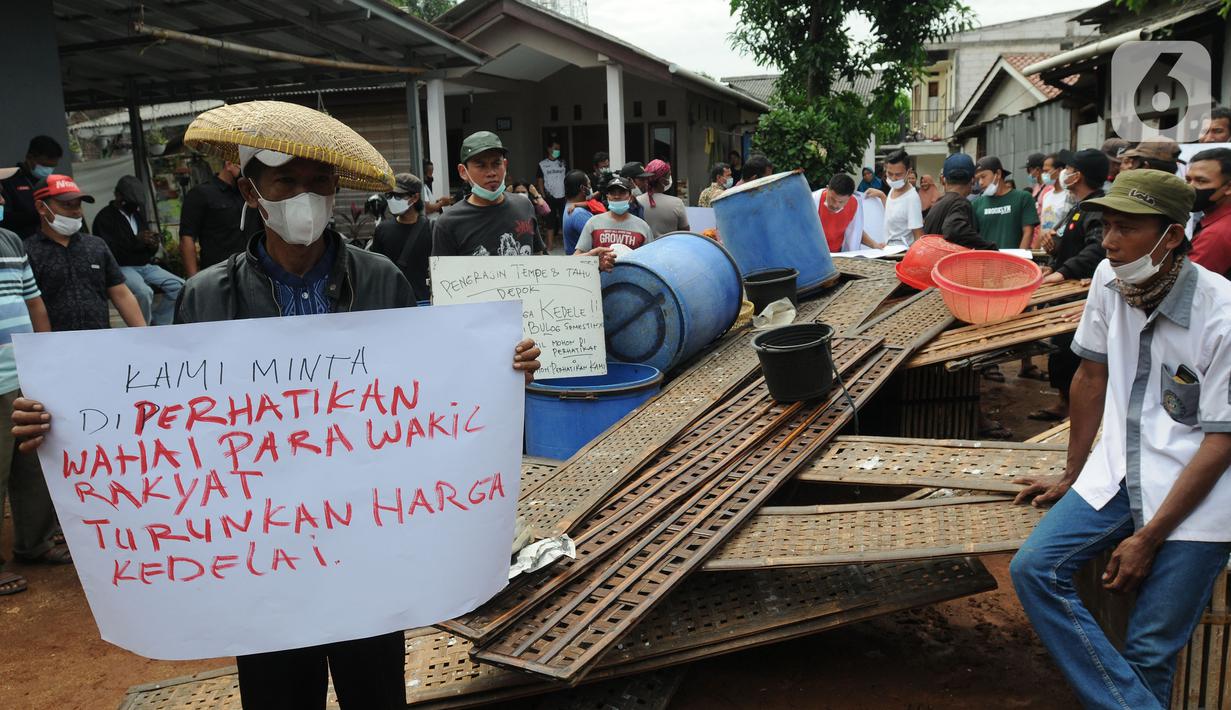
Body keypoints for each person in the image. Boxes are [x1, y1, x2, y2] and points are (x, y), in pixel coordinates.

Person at [13, 100, 543, 710]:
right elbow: (175, 420)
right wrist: (60, 417)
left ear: (337, 189)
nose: (304, 196)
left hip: (368, 544)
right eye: (285, 180)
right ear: (251, 188)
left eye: (319, 182)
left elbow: (428, 392)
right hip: (262, 558)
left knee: (375, 692)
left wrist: (501, 367)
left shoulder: (381, 281)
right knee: (277, 696)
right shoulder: (205, 295)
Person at [1011, 169, 1231, 710]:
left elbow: (1221, 443)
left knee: (1151, 647)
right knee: (1035, 569)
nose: (1109, 241)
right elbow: (1090, 376)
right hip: (1118, 469)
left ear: (1172, 236)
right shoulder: (1110, 283)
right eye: (1106, 225)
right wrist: (1072, 471)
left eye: (1126, 228)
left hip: (1200, 490)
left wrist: (1150, 537)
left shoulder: (1222, 314)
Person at [0, 167, 60, 596]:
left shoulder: (10, 241)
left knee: (31, 463)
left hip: (20, 374)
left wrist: (46, 359)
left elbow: (33, 301)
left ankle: (33, 542)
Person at [1031, 148, 1111, 423]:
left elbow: (1096, 249)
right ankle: (1065, 403)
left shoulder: (1098, 206)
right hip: (1064, 293)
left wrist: (1062, 272)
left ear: (1078, 175)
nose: (1064, 172)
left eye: (1069, 168)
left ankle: (1080, 412)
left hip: (1082, 295)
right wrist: (1052, 255)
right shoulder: (1079, 205)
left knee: (1077, 354)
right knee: (1061, 352)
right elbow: (1067, 240)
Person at [24, 175, 145, 331]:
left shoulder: (96, 246)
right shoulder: (28, 252)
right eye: (67, 205)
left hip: (99, 341)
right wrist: (46, 346)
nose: (76, 212)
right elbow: (32, 305)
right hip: (55, 346)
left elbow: (121, 293)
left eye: (78, 205)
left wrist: (143, 334)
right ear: (41, 208)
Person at [91, 176, 184, 326]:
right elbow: (109, 251)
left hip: (144, 265)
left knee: (180, 287)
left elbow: (146, 249)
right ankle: (141, 327)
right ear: (118, 195)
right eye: (131, 202)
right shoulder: (105, 218)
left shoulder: (137, 215)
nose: (134, 207)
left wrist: (152, 244)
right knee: (144, 292)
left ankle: (160, 321)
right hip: (121, 267)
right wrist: (136, 240)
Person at [179, 159, 254, 277]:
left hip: (251, 270)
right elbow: (187, 238)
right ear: (229, 164)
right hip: (219, 273)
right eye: (243, 167)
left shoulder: (250, 194)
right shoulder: (201, 194)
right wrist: (193, 280)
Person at [369, 173, 432, 301]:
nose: (392, 199)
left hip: (424, 303)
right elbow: (377, 270)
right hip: (393, 303)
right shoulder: (382, 230)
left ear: (415, 197)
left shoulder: (432, 229)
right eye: (389, 195)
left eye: (398, 196)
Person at [922, 153, 998, 250]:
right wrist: (989, 248)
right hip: (945, 264)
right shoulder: (960, 203)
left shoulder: (938, 204)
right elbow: (953, 228)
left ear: (943, 180)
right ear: (973, 180)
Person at [0, 136, 63, 239]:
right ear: (30, 158)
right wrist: (41, 214)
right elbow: (4, 218)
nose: (48, 170)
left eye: (52, 167)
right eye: (44, 165)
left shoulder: (53, 182)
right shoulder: (9, 181)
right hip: (24, 241)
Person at [972, 156, 1039, 250]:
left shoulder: (1023, 198)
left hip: (1013, 262)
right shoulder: (976, 204)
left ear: (998, 174)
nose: (981, 183)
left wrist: (1019, 259)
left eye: (983, 177)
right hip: (986, 262)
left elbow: (1028, 232)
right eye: (978, 179)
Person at [574, 176, 655, 253]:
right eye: (613, 193)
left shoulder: (643, 227)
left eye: (622, 192)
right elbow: (578, 256)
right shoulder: (593, 223)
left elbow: (650, 258)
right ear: (607, 197)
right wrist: (593, 254)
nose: (617, 196)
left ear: (630, 198)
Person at [1186, 148, 1231, 278]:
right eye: (1188, 179)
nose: (1190, 187)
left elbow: (1184, 282)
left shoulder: (1217, 234)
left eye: (1201, 181)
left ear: (1228, 187)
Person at [816, 174, 881, 252]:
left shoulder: (854, 204)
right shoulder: (812, 201)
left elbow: (856, 230)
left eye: (841, 202)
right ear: (827, 188)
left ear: (850, 197)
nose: (835, 205)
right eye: (832, 199)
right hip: (813, 253)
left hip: (838, 254)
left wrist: (874, 245)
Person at [880, 150, 924, 248]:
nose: (893, 178)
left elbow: (918, 235)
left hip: (902, 254)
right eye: (890, 173)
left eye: (898, 174)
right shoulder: (893, 189)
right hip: (888, 249)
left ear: (909, 172)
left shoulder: (912, 198)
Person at [636, 159, 689, 237]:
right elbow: (685, 232)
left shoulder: (637, 201)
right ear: (662, 180)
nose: (670, 178)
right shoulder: (677, 203)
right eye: (669, 175)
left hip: (645, 248)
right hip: (669, 248)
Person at [535, 139, 567, 251]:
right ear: (549, 149)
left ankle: (566, 245)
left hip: (563, 196)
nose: (557, 151)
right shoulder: (542, 164)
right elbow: (539, 180)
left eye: (559, 149)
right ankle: (549, 246)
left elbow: (567, 178)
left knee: (565, 221)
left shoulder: (562, 163)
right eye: (555, 148)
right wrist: (543, 195)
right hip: (549, 197)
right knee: (550, 222)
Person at [562, 170, 596, 256]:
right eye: (589, 185)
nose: (590, 187)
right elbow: (598, 239)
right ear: (583, 188)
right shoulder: (578, 214)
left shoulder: (570, 206)